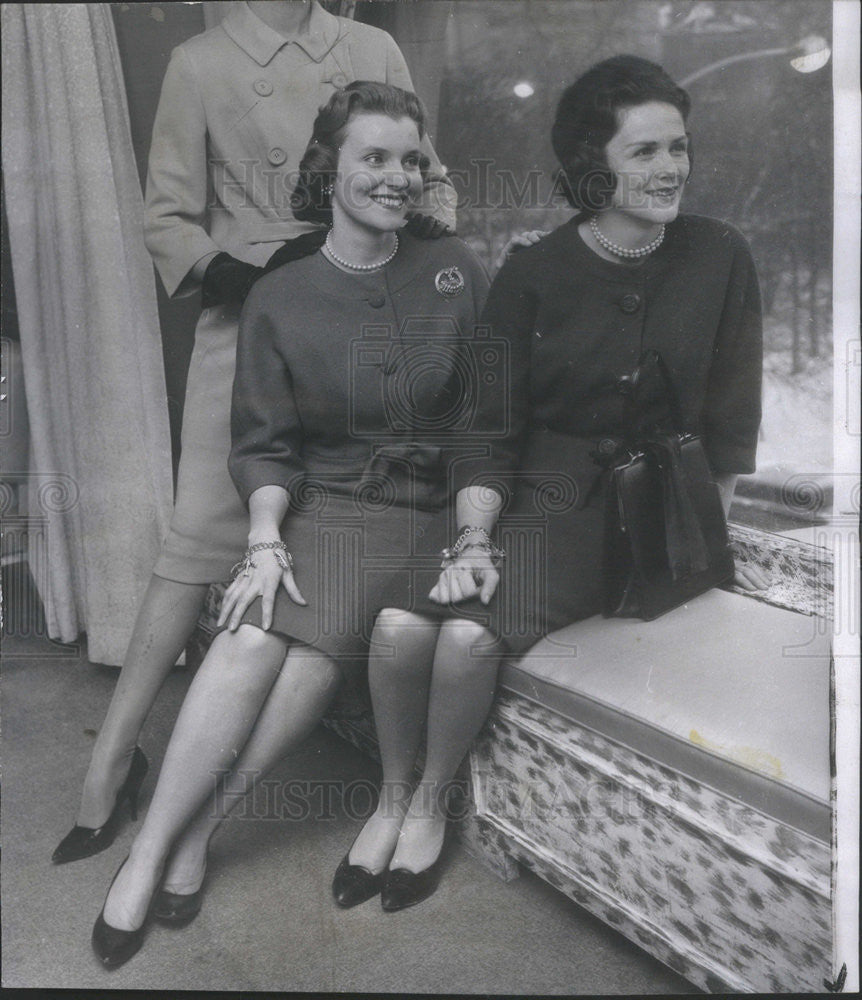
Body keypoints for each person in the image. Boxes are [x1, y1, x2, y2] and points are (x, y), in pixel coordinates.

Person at [91, 81, 500, 968]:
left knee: (309, 653)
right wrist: (266, 540)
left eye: (410, 160)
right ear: (331, 169)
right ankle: (156, 850)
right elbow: (265, 445)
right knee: (248, 635)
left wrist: (475, 534)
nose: (398, 177)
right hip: (325, 511)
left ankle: (198, 835)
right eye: (375, 158)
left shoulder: (456, 272)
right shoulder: (283, 290)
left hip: (427, 516)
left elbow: (482, 430)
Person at [53, 0, 455, 865]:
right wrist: (249, 273)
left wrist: (420, 241)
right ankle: (112, 761)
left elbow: (436, 179)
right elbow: (166, 216)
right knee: (196, 545)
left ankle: (204, 811)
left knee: (339, 532)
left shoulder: (372, 45)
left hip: (369, 312)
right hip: (248, 324)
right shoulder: (200, 62)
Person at [470, 53, 766, 658]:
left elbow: (731, 421)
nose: (671, 169)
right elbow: (490, 423)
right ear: (592, 164)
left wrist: (708, 546)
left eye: (678, 148)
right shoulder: (535, 269)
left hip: (662, 518)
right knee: (443, 638)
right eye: (644, 152)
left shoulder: (720, 252)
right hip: (549, 513)